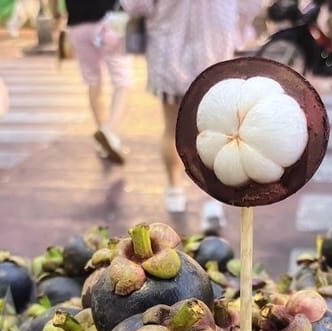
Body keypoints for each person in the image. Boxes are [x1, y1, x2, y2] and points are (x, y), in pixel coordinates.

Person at [122, 0, 262, 217]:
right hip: (214, 49)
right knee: (220, 130)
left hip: (168, 50)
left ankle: (174, 190)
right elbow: (251, 5)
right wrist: (239, 27)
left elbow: (137, 5)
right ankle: (213, 202)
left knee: (171, 127)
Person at [64, 0, 131, 163]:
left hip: (77, 25)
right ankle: (109, 132)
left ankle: (103, 136)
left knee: (93, 81)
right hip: (108, 23)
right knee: (122, 81)